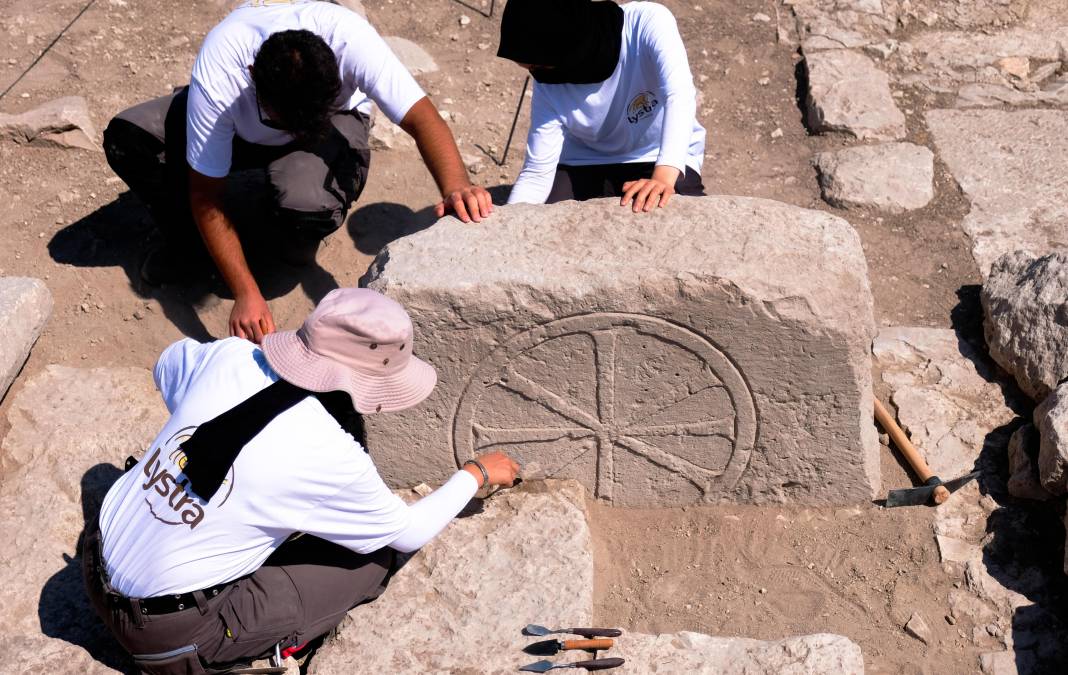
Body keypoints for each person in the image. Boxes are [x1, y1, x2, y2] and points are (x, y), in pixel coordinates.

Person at [82, 288, 520, 675]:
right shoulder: (332, 454)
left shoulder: (231, 356)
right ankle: (257, 648)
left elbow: (167, 364)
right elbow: (407, 534)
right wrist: (473, 475)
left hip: (93, 559)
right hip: (167, 635)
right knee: (371, 559)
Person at [104, 1, 493, 342]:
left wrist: (456, 185)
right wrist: (245, 292)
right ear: (253, 75)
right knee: (130, 139)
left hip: (327, 127)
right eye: (282, 119)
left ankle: (292, 239)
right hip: (239, 123)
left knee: (309, 207)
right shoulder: (223, 66)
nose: (290, 129)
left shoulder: (350, 39)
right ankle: (190, 247)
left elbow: (423, 120)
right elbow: (206, 195)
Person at [498, 0, 706, 212]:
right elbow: (536, 174)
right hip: (584, 161)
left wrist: (663, 177)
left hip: (655, 155)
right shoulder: (547, 79)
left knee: (673, 212)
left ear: (568, 42)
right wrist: (509, 220)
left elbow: (679, 94)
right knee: (548, 223)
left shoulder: (646, 22)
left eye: (537, 64)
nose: (536, 74)